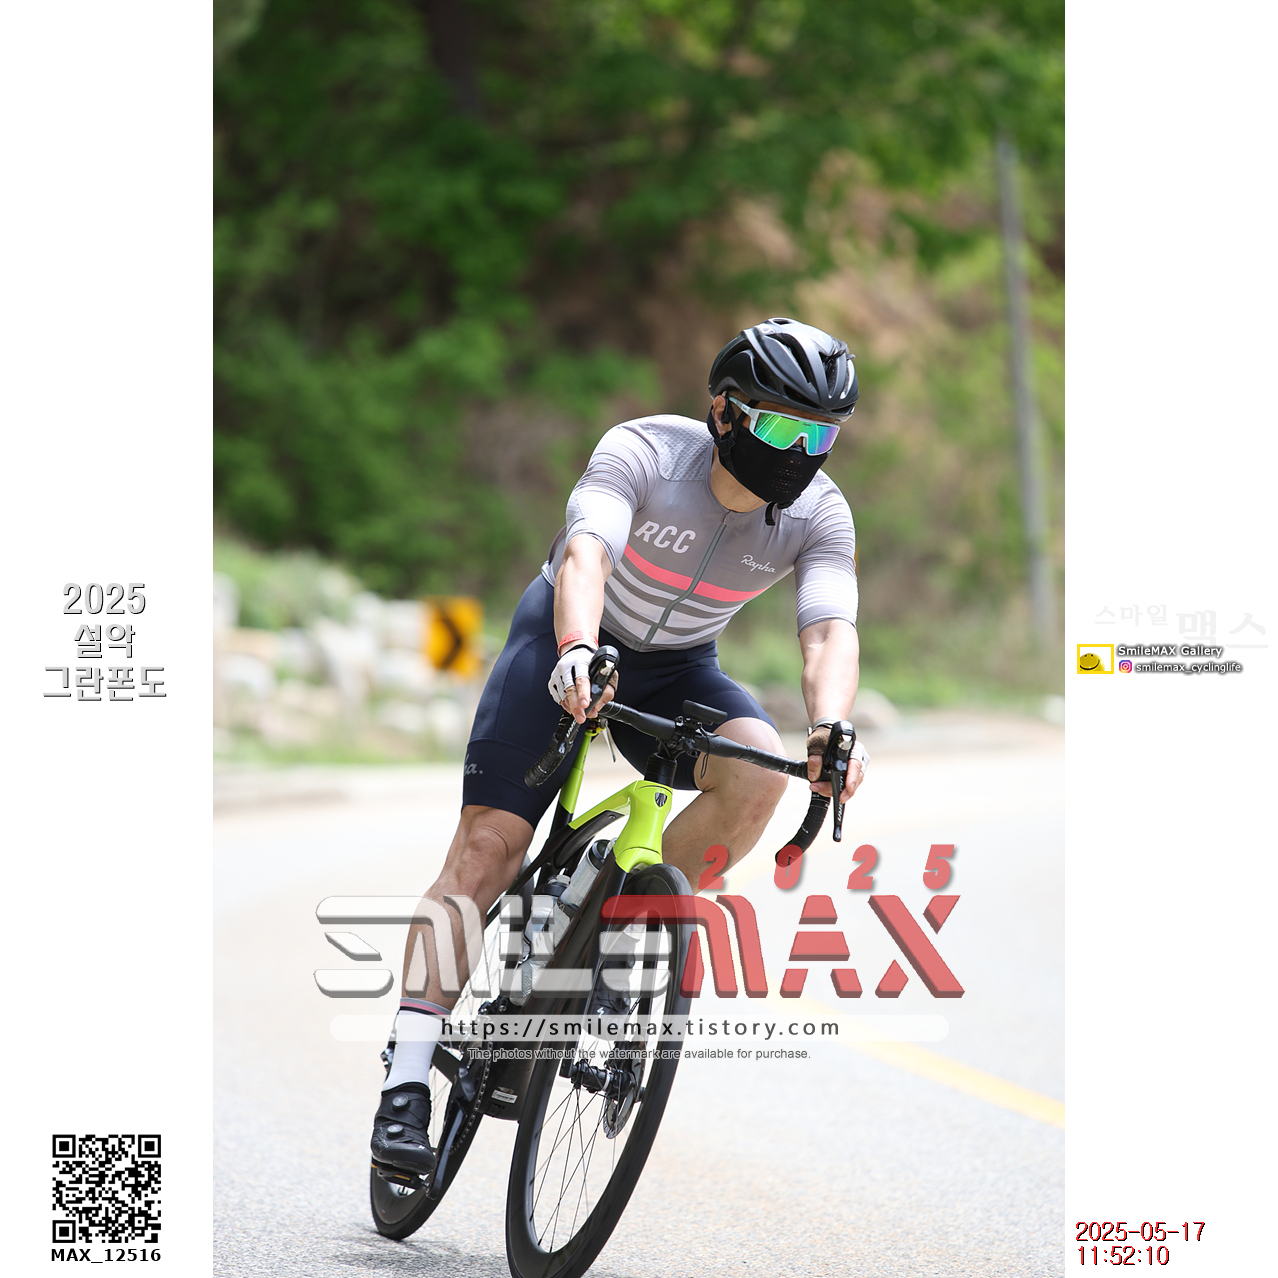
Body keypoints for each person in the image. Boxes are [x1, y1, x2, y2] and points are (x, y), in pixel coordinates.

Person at [371, 317, 870, 1175]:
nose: (800, 453)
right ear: (726, 411)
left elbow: (828, 630)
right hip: (566, 638)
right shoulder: (644, 451)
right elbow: (587, 555)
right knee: (488, 848)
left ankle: (617, 931)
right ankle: (407, 1076)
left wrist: (830, 728)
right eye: (781, 427)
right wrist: (575, 650)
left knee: (759, 772)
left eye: (819, 436)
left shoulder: (820, 515)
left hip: (679, 668)